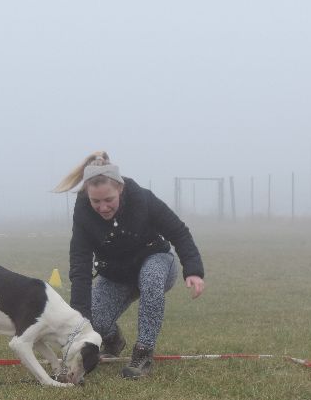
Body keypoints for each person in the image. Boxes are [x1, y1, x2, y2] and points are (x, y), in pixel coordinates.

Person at [53, 151, 205, 379]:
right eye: (96, 201)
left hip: (157, 260)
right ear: (87, 194)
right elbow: (80, 264)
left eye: (109, 200)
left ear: (120, 189)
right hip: (117, 274)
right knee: (93, 320)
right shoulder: (83, 212)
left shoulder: (142, 199)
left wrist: (193, 270)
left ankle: (143, 354)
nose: (103, 207)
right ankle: (113, 341)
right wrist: (80, 321)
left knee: (151, 276)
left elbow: (179, 231)